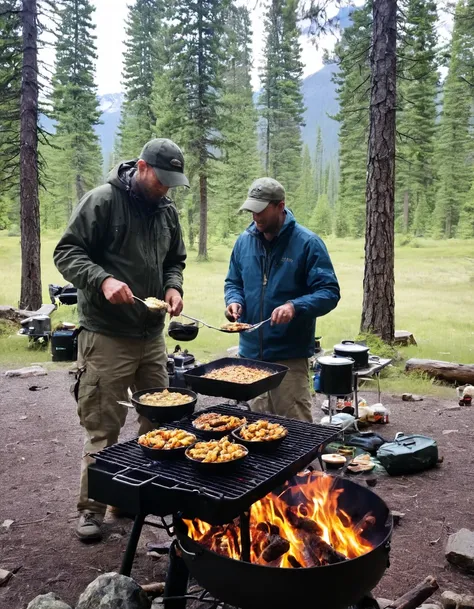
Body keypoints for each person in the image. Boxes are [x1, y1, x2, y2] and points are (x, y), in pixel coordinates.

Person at [54, 138, 189, 542]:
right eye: (161, 180)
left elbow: (174, 260)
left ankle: (130, 497)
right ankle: (91, 509)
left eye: (171, 183)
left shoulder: (166, 211)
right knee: (103, 425)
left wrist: (173, 288)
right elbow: (67, 252)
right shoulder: (103, 201)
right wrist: (103, 280)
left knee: (157, 421)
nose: (166, 188)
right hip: (107, 335)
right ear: (142, 167)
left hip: (151, 336)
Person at [224, 177, 340, 422]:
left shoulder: (307, 243)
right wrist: (234, 300)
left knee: (296, 429)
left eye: (261, 210)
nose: (255, 216)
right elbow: (234, 282)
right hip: (250, 357)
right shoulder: (244, 242)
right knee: (254, 428)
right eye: (251, 210)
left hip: (288, 359)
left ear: (280, 206)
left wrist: (295, 306)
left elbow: (329, 292)